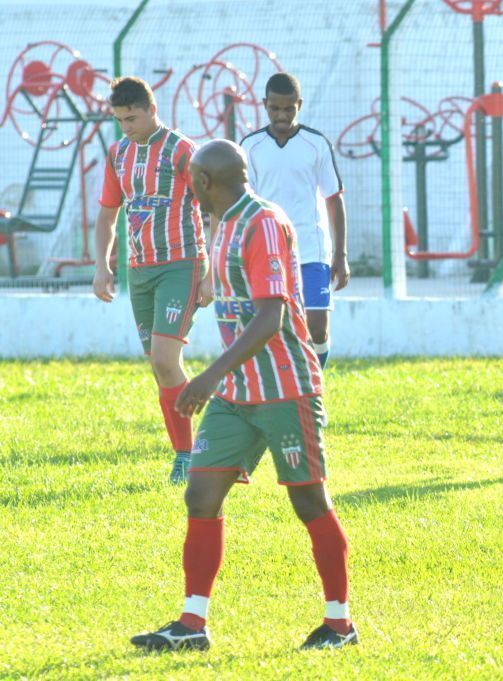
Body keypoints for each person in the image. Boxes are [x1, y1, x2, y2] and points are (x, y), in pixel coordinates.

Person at [129, 140, 356, 652]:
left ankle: (340, 624)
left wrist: (206, 377)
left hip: (284, 388)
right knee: (201, 495)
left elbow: (271, 317)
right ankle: (192, 624)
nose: (187, 189)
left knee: (308, 499)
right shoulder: (223, 222)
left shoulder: (262, 223)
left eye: (190, 181)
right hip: (238, 392)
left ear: (206, 181)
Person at [92, 76, 211, 484]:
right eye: (120, 120)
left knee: (164, 359)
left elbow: (210, 207)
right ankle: (191, 452)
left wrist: (210, 268)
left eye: (132, 118)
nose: (126, 127)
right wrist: (102, 266)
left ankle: (195, 452)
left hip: (182, 263)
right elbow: (108, 214)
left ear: (152, 109)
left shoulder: (181, 150)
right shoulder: (117, 154)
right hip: (139, 270)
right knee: (162, 368)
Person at [241, 72, 348, 368]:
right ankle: (284, 392)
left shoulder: (316, 143)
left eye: (289, 108)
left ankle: (314, 387)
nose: (281, 115)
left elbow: (333, 198)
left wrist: (340, 254)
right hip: (267, 251)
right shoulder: (250, 146)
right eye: (275, 108)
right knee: (269, 326)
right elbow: (243, 202)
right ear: (265, 105)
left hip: (312, 250)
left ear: (299, 105)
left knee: (317, 328)